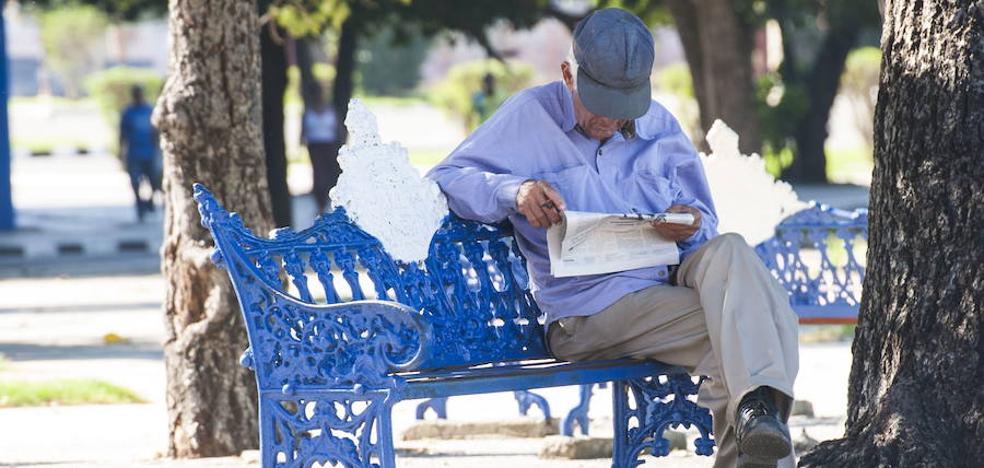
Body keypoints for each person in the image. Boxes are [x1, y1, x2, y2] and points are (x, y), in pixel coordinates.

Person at [427, 8, 799, 468]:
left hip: (664, 284)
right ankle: (759, 419)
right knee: (764, 328)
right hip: (588, 312)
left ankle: (754, 412)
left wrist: (688, 220)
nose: (610, 119)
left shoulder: (660, 126)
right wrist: (515, 191)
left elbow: (704, 222)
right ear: (568, 74)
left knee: (732, 251)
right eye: (599, 103)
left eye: (625, 107)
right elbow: (446, 177)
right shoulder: (529, 116)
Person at [119, 85, 161, 222]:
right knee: (135, 183)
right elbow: (122, 134)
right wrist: (121, 153)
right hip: (134, 153)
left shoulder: (149, 110)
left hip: (149, 152)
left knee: (154, 181)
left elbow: (156, 131)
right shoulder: (128, 112)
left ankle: (150, 201)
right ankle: (139, 207)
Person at [301, 86, 341, 213]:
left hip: (329, 145)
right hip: (315, 146)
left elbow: (339, 128)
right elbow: (302, 130)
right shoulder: (308, 112)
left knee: (329, 173)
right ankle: (320, 202)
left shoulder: (331, 110)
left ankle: (328, 200)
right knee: (318, 174)